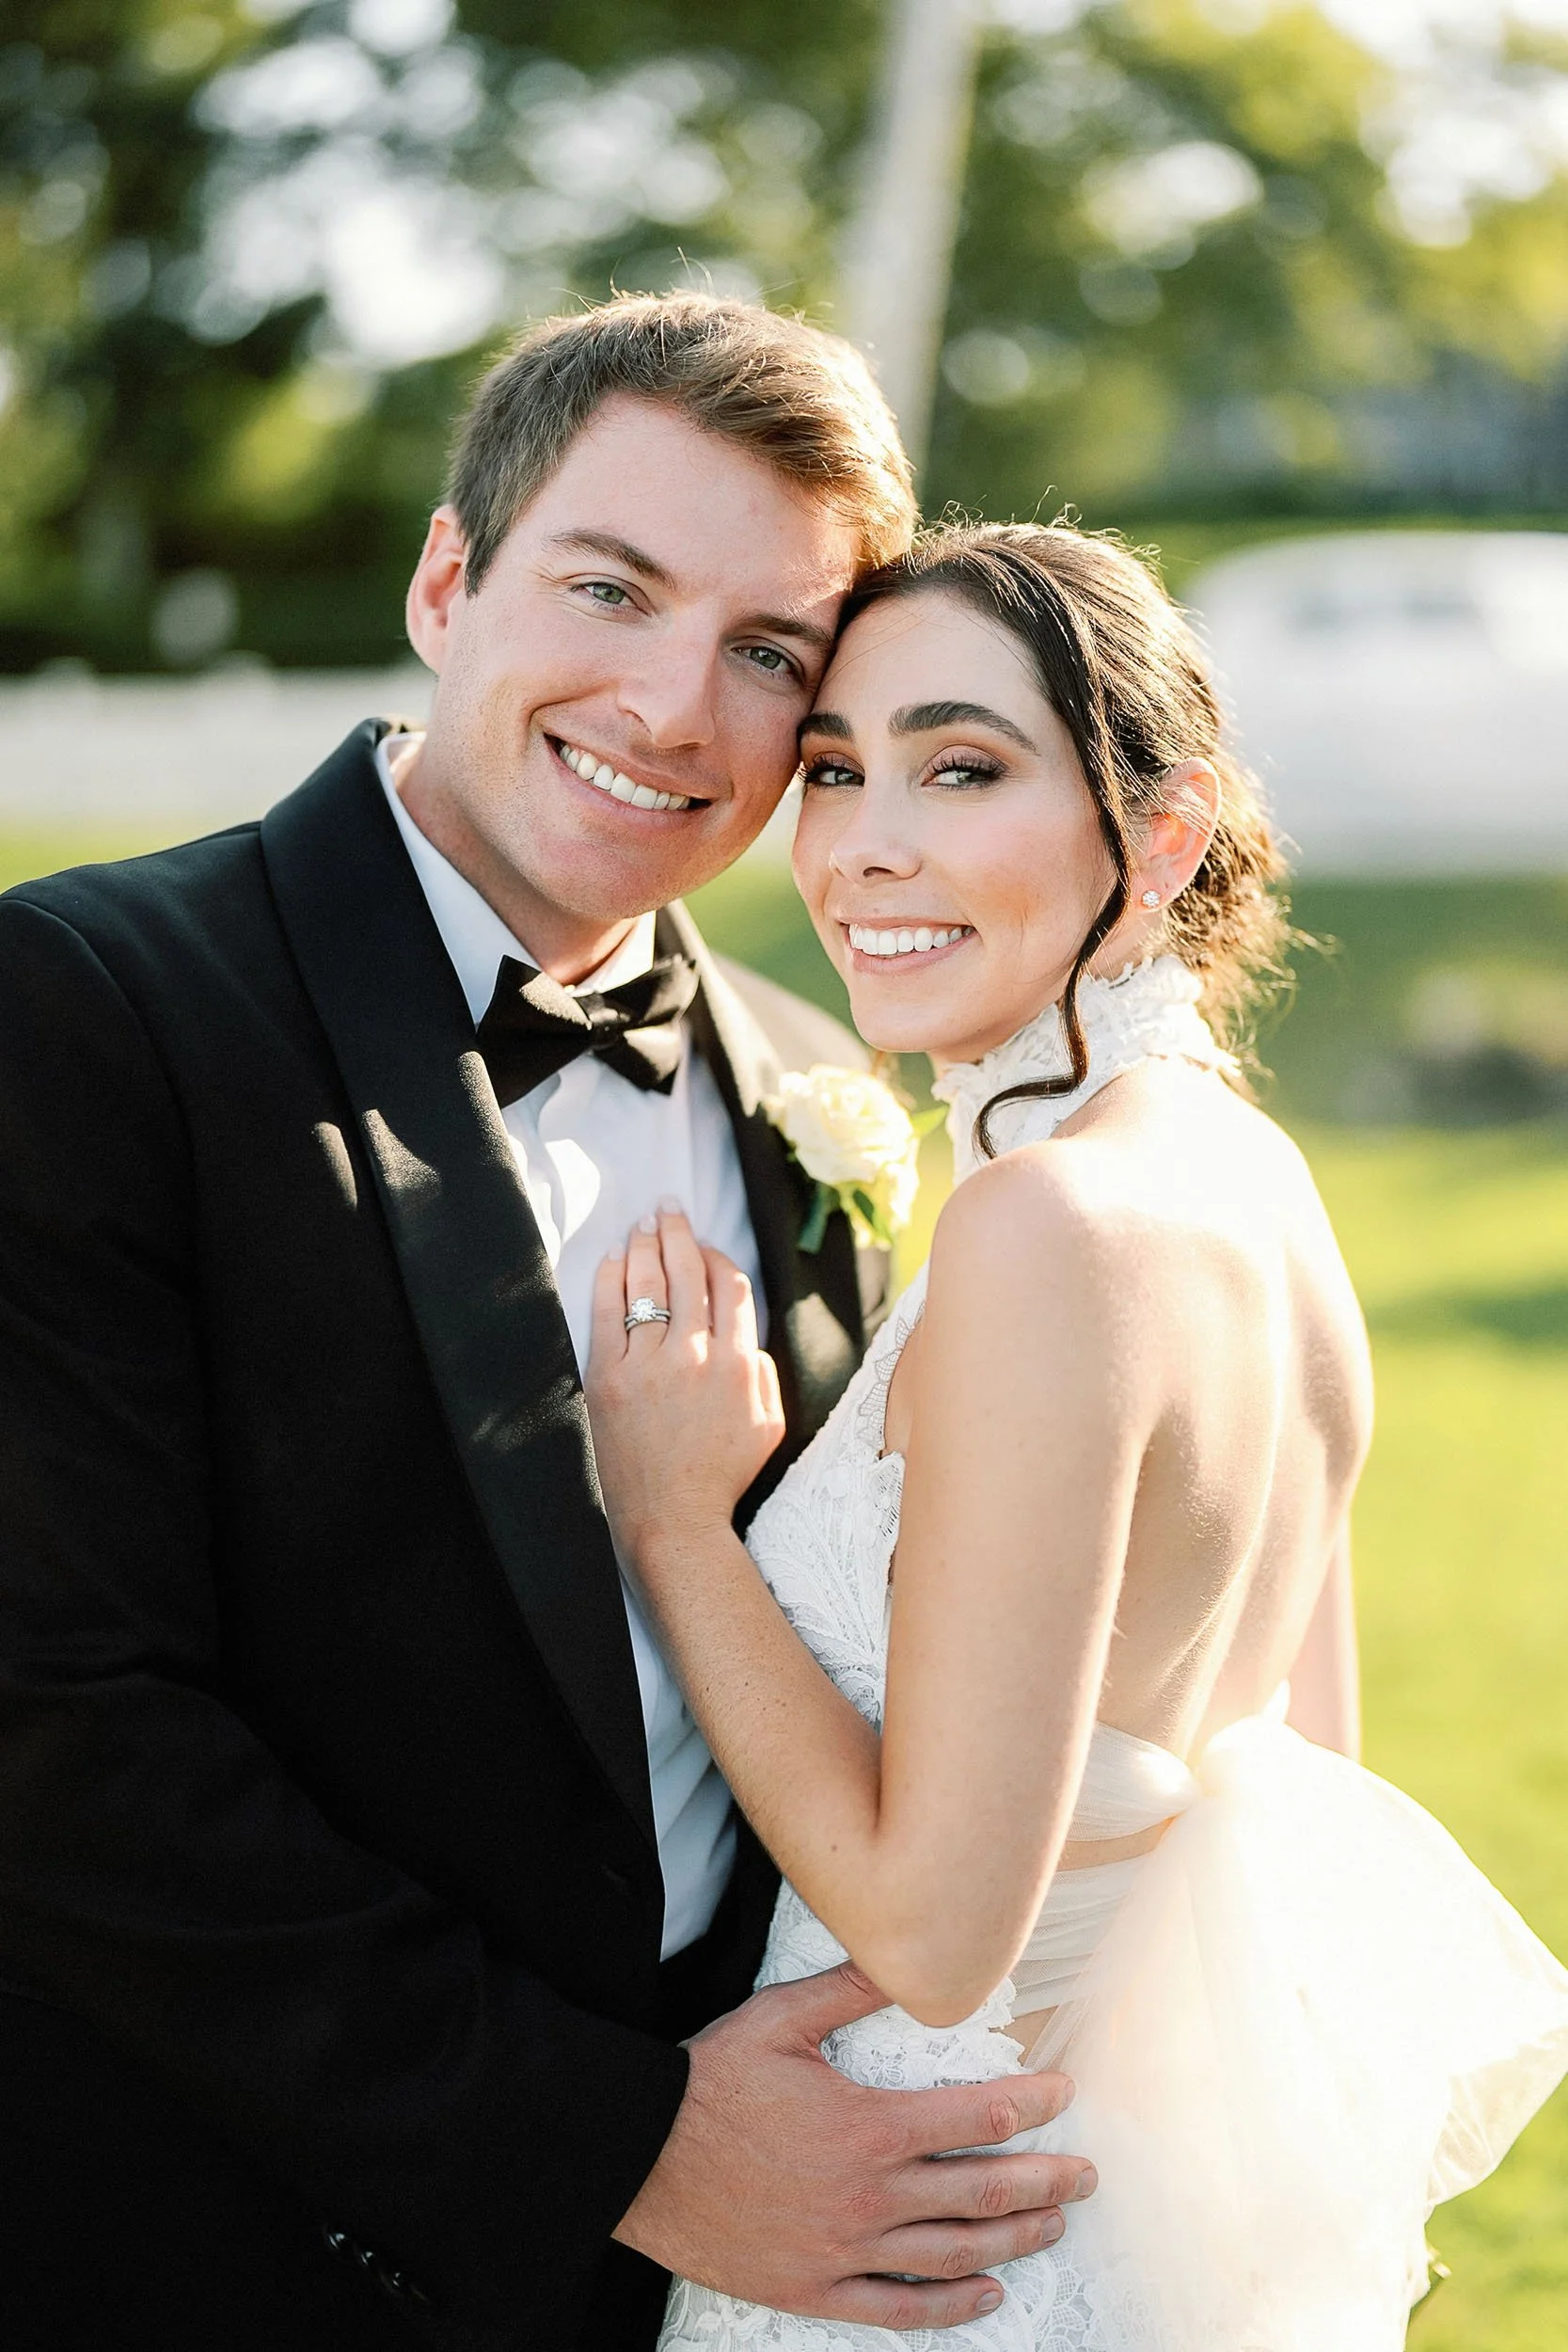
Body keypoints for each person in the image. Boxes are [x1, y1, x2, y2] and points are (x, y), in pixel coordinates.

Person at [0, 304, 1099, 2352]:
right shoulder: (82, 1006)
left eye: (770, 650)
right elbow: (60, 1727)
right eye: (610, 587)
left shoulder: (811, 1087)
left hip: (731, 2272)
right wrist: (616, 2140)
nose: (678, 708)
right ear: (446, 581)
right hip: (236, 2247)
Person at [586, 519, 1568, 2350]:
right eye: (833, 768)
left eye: (961, 765)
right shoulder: (1258, 1184)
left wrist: (675, 1525)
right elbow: (1307, 1772)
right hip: (1096, 2227)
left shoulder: (1049, 1230)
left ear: (1163, 831)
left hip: (918, 2242)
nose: (863, 839)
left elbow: (938, 1926)